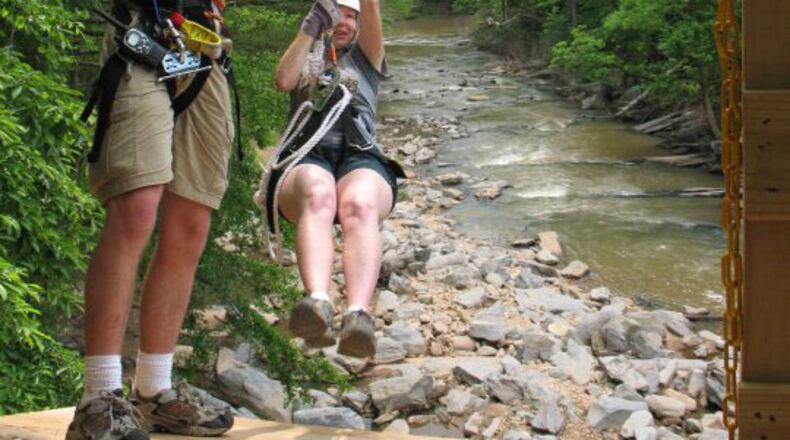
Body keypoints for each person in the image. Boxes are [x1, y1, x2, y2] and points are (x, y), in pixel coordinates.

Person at [66, 1, 235, 438]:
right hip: (139, 29)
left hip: (202, 44)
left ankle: (154, 390)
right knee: (137, 205)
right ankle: (98, 396)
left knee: (192, 220)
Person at [273, 0, 404, 358]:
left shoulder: (367, 61)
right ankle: (318, 301)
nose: (344, 22)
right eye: (337, 14)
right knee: (318, 193)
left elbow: (372, 7)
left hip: (359, 158)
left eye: (351, 16)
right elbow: (284, 80)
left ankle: (358, 315)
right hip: (306, 157)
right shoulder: (309, 53)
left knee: (359, 205)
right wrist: (310, 29)